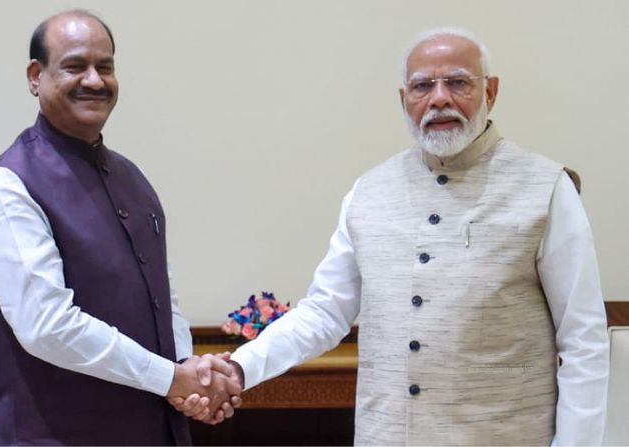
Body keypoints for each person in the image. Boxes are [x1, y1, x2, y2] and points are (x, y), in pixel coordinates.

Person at [181, 27, 610, 445]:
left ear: (491, 91)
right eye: (423, 86)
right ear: (404, 100)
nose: (439, 97)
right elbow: (326, 311)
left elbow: (583, 340)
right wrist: (239, 369)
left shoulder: (547, 188)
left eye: (458, 82)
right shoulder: (369, 191)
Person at [0, 10, 238, 445]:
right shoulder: (10, 185)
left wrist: (186, 368)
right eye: (75, 66)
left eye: (105, 67)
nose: (94, 80)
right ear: (35, 76)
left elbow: (164, 294)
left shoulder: (131, 177)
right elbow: (49, 327)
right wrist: (172, 379)